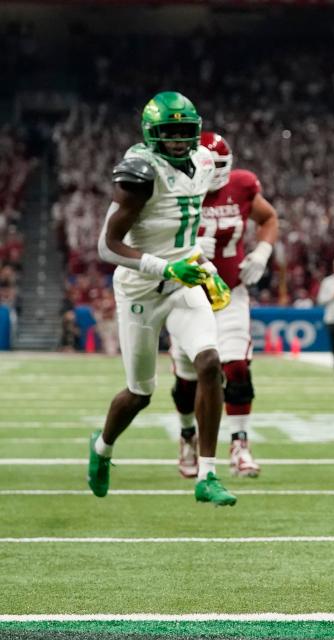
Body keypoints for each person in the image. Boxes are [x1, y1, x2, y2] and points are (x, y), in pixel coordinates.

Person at [89, 91, 236, 505]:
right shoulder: (140, 171)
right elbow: (107, 245)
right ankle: (102, 448)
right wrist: (164, 267)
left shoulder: (205, 160)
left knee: (209, 363)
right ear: (151, 135)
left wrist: (202, 268)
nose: (175, 140)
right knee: (140, 393)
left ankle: (207, 475)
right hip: (140, 289)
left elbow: (182, 229)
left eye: (183, 132)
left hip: (184, 281)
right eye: (167, 133)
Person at [168, 132, 278, 479]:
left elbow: (269, 218)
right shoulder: (174, 188)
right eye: (208, 164)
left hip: (230, 293)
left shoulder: (243, 184)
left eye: (220, 166)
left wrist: (262, 252)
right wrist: (186, 247)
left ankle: (240, 444)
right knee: (188, 380)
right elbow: (151, 238)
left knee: (237, 370)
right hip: (185, 295)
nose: (214, 171)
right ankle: (188, 436)